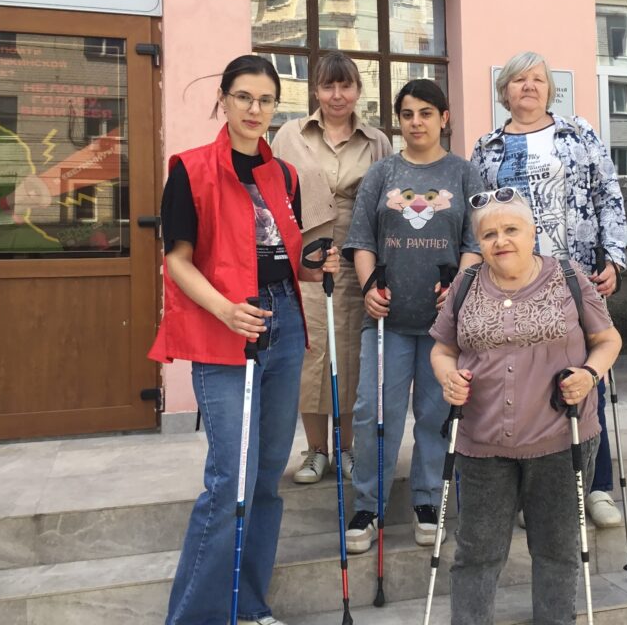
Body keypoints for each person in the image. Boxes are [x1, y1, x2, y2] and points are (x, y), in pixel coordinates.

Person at [149, 55, 340, 625]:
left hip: (283, 324)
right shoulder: (190, 169)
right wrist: (226, 310)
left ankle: (249, 605)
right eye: (243, 97)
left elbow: (279, 258)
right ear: (224, 100)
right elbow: (177, 261)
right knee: (231, 478)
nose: (255, 109)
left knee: (267, 478)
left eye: (266, 100)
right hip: (226, 327)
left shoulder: (284, 175)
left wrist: (313, 267)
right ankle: (197, 616)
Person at [429, 188, 622, 625]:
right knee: (476, 554)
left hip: (560, 438)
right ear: (479, 243)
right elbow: (442, 349)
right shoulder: (465, 284)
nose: (501, 241)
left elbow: (608, 340)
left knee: (557, 550)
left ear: (533, 233)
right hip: (482, 443)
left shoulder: (568, 277)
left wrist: (589, 375)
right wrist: (447, 376)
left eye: (511, 229)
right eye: (489, 234)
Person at [470, 50, 627, 528]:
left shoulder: (578, 135)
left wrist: (613, 257)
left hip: (573, 276)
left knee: (586, 377)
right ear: (505, 91)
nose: (529, 87)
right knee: (521, 384)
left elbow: (608, 194)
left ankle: (596, 486)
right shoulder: (487, 148)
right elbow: (477, 217)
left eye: (538, 79)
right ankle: (532, 494)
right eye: (519, 80)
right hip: (510, 283)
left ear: (549, 89)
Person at [342, 79, 483, 551]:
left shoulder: (464, 174)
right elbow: (362, 240)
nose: (416, 122)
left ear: (444, 118)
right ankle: (368, 505)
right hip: (387, 322)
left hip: (443, 326)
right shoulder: (381, 173)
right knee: (373, 413)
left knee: (435, 412)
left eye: (426, 113)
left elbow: (474, 242)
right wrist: (369, 287)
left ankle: (428, 500)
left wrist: (458, 289)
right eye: (407, 114)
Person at [271, 51, 392, 484]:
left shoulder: (377, 142)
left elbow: (387, 204)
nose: (337, 95)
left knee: (352, 356)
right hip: (305, 263)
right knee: (311, 355)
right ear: (315, 90)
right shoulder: (289, 135)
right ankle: (315, 451)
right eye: (328, 86)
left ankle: (346, 448)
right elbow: (272, 197)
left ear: (358, 90)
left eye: (345, 86)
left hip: (357, 262)